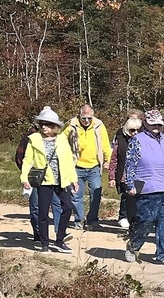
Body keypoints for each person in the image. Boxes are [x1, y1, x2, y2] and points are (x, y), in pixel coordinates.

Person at [18, 107, 79, 253]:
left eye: (47, 124)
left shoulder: (62, 139)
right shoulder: (34, 139)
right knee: (43, 212)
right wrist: (24, 178)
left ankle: (60, 240)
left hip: (61, 181)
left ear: (55, 127)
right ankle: (44, 243)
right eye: (42, 124)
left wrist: (73, 180)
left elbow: (69, 161)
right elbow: (27, 160)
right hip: (44, 181)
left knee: (68, 207)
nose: (44, 127)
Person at [125, 110, 164, 265]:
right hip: (148, 186)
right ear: (146, 124)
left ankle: (162, 254)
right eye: (153, 124)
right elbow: (130, 164)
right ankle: (133, 247)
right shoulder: (137, 140)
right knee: (145, 220)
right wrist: (130, 184)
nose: (156, 126)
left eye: (159, 124)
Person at [66, 104, 112, 230]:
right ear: (79, 115)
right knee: (76, 195)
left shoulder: (99, 125)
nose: (86, 121)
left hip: (94, 166)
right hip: (76, 166)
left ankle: (92, 220)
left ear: (93, 116)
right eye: (84, 118)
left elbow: (106, 144)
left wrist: (108, 160)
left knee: (96, 193)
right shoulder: (71, 125)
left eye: (89, 118)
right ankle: (79, 220)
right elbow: (62, 142)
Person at [109, 110, 144, 231]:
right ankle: (125, 218)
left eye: (137, 130)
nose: (135, 133)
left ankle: (138, 221)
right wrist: (112, 176)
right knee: (128, 197)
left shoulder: (145, 139)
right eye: (132, 130)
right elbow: (114, 157)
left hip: (140, 175)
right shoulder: (120, 136)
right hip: (124, 174)